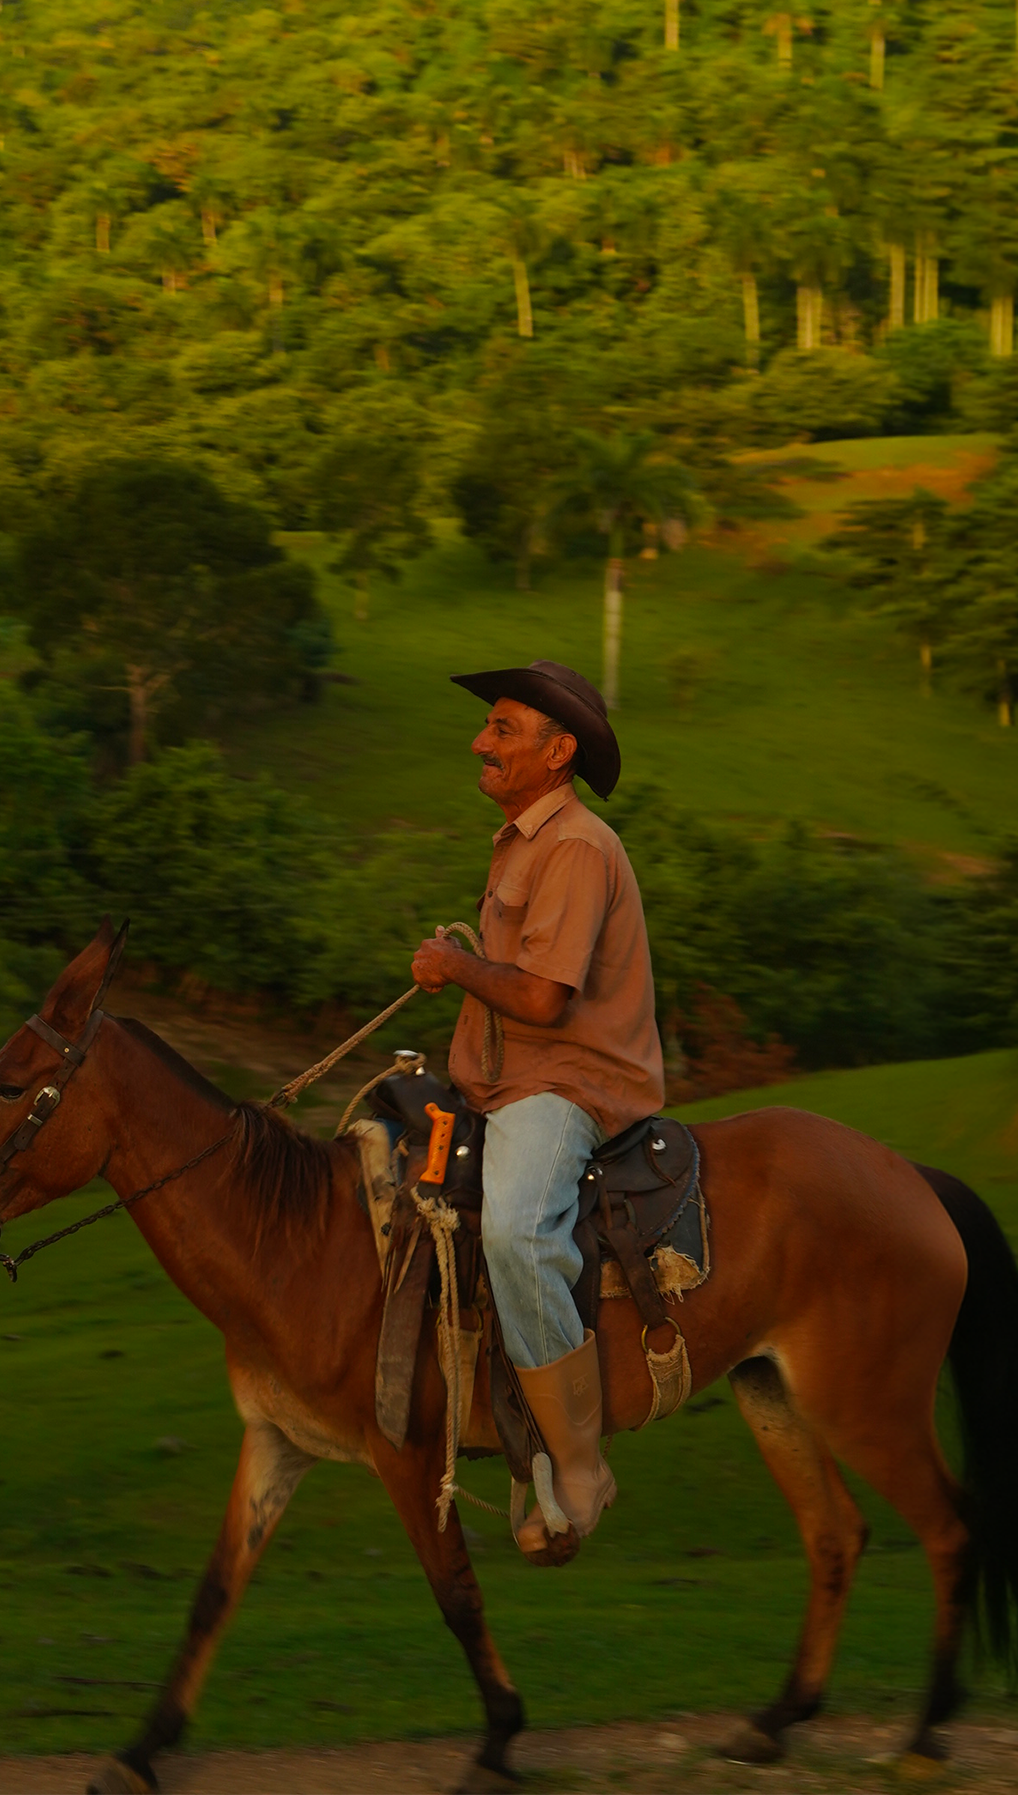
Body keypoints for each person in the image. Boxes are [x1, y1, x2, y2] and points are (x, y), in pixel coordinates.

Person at [406, 659, 664, 1567]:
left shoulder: (577, 846)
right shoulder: (521, 838)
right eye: (489, 728)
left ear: (558, 753)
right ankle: (510, 1429)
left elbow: (549, 1002)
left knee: (517, 1234)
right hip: (499, 1084)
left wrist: (453, 965)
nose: (480, 742)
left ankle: (581, 1464)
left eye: (503, 730)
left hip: (566, 1086)